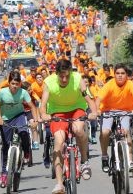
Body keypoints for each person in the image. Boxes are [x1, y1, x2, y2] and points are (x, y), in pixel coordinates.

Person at [39, 59, 97, 194]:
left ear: (70, 72)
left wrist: (93, 112)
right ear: (56, 73)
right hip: (57, 112)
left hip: (77, 108)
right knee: (59, 142)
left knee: (78, 130)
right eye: (61, 76)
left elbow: (88, 98)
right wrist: (44, 114)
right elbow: (43, 104)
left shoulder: (78, 79)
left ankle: (84, 162)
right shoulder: (49, 82)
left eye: (67, 76)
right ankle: (59, 184)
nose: (64, 79)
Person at [95, 63, 133, 173]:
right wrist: (97, 110)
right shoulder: (109, 84)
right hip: (108, 111)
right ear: (114, 74)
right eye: (117, 73)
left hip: (125, 112)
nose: (120, 76)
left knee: (126, 132)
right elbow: (98, 99)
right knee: (105, 132)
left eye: (122, 73)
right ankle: (104, 157)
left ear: (126, 75)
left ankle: (130, 161)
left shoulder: (130, 84)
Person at [0, 71, 38, 187]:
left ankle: (27, 153)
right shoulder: (2, 92)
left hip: (19, 116)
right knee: (6, 146)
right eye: (13, 83)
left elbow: (32, 107)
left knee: (24, 133)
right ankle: (4, 172)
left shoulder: (23, 92)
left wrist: (35, 121)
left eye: (17, 84)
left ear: (20, 84)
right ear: (9, 83)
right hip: (5, 119)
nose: (15, 86)